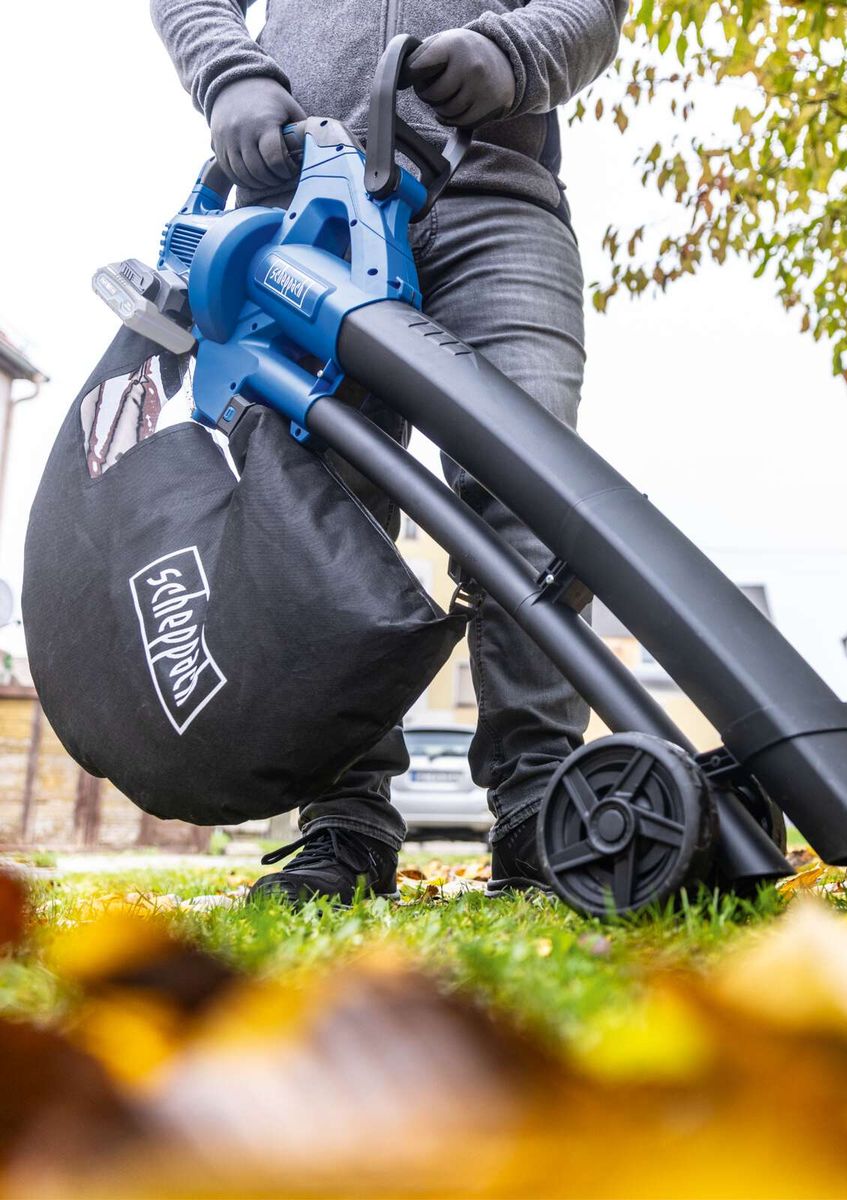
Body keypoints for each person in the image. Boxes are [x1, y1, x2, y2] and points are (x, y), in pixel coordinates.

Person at [149, 0, 624, 903]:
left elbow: (594, 8)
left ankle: (540, 808)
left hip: (495, 206)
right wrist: (232, 74)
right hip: (300, 206)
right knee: (305, 504)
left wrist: (512, 53)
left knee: (533, 487)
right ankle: (343, 822)